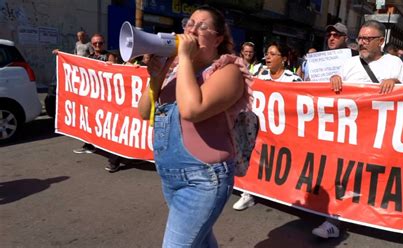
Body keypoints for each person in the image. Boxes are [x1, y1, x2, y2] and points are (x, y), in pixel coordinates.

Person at [137, 6, 252, 247]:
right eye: (189, 23)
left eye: (201, 26)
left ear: (218, 38)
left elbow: (192, 110)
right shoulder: (177, 71)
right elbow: (144, 112)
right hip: (171, 176)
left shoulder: (228, 72)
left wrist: (185, 58)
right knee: (200, 243)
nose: (191, 29)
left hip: (203, 179)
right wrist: (157, 77)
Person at [316, 20, 403, 239]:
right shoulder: (349, 64)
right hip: (350, 135)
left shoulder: (394, 63)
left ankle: (374, 218)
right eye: (360, 38)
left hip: (381, 136)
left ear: (381, 41)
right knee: (343, 176)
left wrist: (396, 83)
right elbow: (336, 93)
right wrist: (335, 78)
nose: (363, 43)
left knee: (374, 179)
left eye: (368, 39)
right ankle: (333, 222)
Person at [233, 41, 302, 211]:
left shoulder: (294, 81)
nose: (268, 57)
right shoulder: (260, 78)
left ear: (284, 59)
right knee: (254, 157)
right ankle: (248, 193)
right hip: (259, 130)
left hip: (284, 131)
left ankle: (283, 193)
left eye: (273, 54)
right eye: (267, 54)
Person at [73, 33, 109, 154]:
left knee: (102, 121)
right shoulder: (89, 57)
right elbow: (76, 64)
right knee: (89, 119)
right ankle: (89, 144)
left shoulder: (109, 56)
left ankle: (104, 145)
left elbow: (117, 72)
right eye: (95, 43)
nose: (98, 45)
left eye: (100, 43)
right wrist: (60, 54)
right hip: (92, 95)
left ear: (103, 43)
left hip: (105, 96)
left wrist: (111, 66)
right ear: (92, 45)